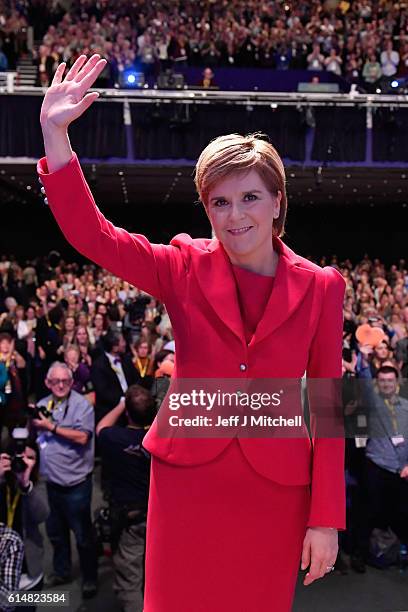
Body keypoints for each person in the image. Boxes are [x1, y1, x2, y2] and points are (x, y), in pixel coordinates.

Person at [37, 53, 345, 612]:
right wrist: (56, 139)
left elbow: (327, 404)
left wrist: (325, 518)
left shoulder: (323, 287)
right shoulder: (182, 266)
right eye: (220, 202)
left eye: (250, 197)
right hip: (188, 482)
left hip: (275, 489)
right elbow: (96, 237)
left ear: (277, 201)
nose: (236, 216)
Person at [32, 362, 97, 599]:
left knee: (83, 536)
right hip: (51, 483)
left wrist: (51, 427)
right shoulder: (41, 406)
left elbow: (82, 437)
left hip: (76, 483)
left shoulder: (82, 406)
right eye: (55, 381)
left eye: (65, 381)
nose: (60, 385)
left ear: (71, 382)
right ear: (47, 383)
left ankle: (90, 578)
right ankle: (62, 571)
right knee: (56, 534)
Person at [96, 384, 153, 612]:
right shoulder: (156, 439)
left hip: (130, 520)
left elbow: (101, 427)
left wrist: (121, 403)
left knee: (129, 582)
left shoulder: (115, 438)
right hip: (156, 516)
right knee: (154, 572)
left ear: (127, 412)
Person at [0, 436, 49, 609]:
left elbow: (42, 514)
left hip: (28, 580)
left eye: (32, 458)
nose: (26, 462)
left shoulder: (36, 483)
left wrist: (26, 485)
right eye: (21, 457)